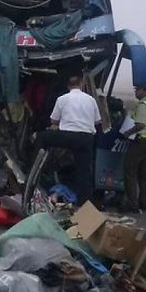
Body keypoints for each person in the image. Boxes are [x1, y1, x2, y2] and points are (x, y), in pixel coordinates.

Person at [35, 75, 101, 205]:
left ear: (68, 87)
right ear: (81, 85)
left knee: (42, 137)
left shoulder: (62, 99)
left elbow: (54, 120)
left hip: (67, 136)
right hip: (85, 138)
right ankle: (84, 204)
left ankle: (36, 170)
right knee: (84, 171)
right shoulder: (91, 100)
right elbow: (97, 121)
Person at [120, 84, 146, 214]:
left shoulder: (143, 105)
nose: (135, 92)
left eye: (137, 90)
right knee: (144, 174)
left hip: (139, 142)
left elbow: (140, 124)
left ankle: (132, 204)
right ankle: (145, 203)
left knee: (130, 171)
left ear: (144, 91)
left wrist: (126, 133)